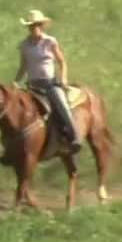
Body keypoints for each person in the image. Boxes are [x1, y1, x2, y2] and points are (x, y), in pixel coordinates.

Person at [13, 9, 83, 153]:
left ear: (42, 25)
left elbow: (62, 61)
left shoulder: (50, 41)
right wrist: (16, 81)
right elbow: (24, 65)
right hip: (32, 86)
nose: (34, 28)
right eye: (31, 26)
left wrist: (63, 78)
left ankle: (74, 136)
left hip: (50, 84)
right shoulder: (24, 45)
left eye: (37, 25)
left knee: (62, 104)